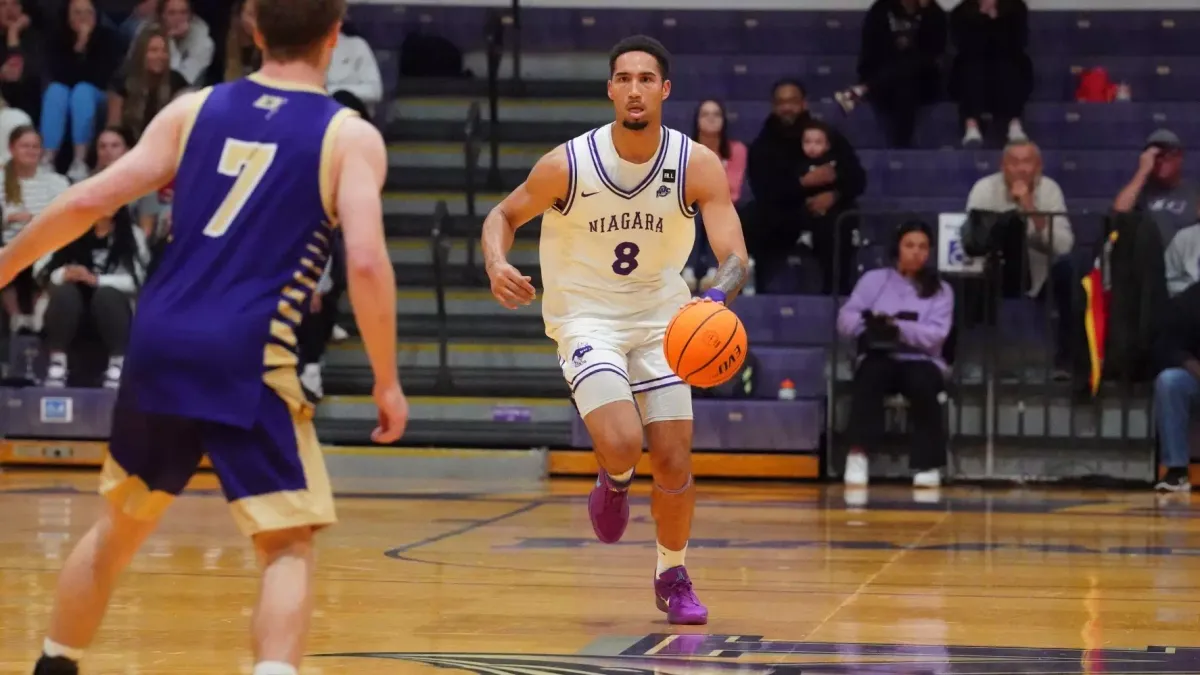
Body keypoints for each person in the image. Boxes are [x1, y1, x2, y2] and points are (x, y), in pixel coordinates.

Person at [0, 0, 409, 673]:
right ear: (336, 35)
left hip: (159, 341)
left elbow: (84, 200)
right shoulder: (348, 135)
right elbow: (365, 260)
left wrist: (7, 263)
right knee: (286, 542)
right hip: (249, 351)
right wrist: (386, 379)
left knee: (119, 529)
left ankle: (54, 663)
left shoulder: (193, 109)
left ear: (251, 29)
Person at [480, 35, 749, 625]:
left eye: (646, 79)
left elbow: (734, 257)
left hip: (663, 317)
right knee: (626, 441)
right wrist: (498, 262)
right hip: (587, 315)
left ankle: (672, 575)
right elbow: (502, 214)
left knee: (676, 459)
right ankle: (615, 475)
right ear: (610, 89)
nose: (634, 89)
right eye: (623, 78)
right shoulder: (568, 164)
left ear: (665, 89)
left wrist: (714, 300)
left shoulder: (695, 164)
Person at [836, 220, 954, 488]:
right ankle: (857, 454)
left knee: (923, 383)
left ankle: (928, 463)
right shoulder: (873, 280)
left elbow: (936, 335)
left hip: (921, 359)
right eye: (910, 245)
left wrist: (898, 328)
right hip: (880, 355)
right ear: (897, 248)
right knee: (870, 375)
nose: (916, 252)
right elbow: (846, 319)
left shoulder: (942, 290)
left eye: (923, 247)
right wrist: (871, 324)